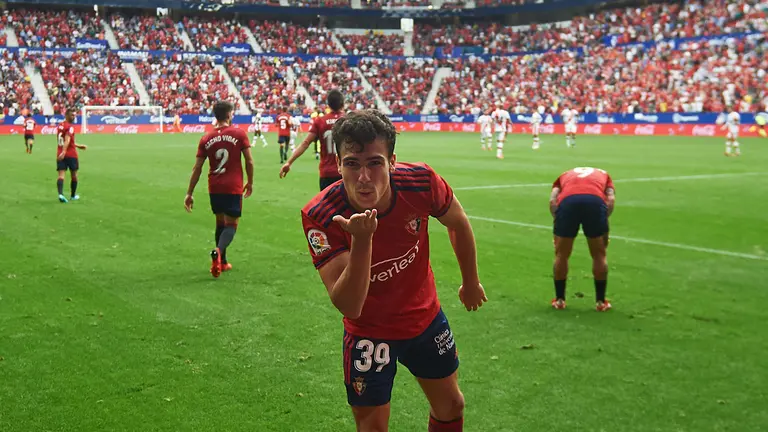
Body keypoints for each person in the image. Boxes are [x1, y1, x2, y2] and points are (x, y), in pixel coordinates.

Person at [300, 109, 487, 431]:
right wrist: (362, 240)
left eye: (374, 163)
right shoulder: (322, 215)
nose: (363, 177)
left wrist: (470, 281)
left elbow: (457, 222)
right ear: (338, 163)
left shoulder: (421, 181)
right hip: (369, 332)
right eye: (352, 164)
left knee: (452, 404)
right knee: (372, 427)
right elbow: (349, 305)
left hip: (425, 318)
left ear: (392, 161)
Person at [184, 101, 254, 278]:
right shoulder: (239, 134)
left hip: (214, 186)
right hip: (232, 186)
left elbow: (197, 168)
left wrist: (189, 193)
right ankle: (218, 251)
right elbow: (249, 160)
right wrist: (250, 182)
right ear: (229, 114)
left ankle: (222, 262)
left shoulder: (206, 138)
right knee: (231, 224)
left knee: (220, 222)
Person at [549, 167, 615, 311]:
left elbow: (553, 200)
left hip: (568, 203)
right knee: (599, 254)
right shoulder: (604, 175)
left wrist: (558, 222)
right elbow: (610, 199)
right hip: (595, 202)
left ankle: (559, 300)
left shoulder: (564, 175)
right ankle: (600, 302)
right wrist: (604, 222)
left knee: (561, 254)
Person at [280, 89, 345, 191]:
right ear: (342, 104)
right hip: (346, 172)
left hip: (326, 173)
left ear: (328, 104)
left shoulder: (320, 121)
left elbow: (305, 143)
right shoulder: (349, 120)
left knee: (327, 206)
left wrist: (289, 162)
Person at [56, 109, 87, 203]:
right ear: (66, 116)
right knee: (74, 175)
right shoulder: (70, 127)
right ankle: (73, 196)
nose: (74, 117)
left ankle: (60, 194)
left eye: (74, 115)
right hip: (71, 154)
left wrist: (77, 145)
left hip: (60, 153)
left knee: (61, 175)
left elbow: (65, 140)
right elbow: (67, 140)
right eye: (72, 115)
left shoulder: (60, 126)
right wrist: (65, 151)